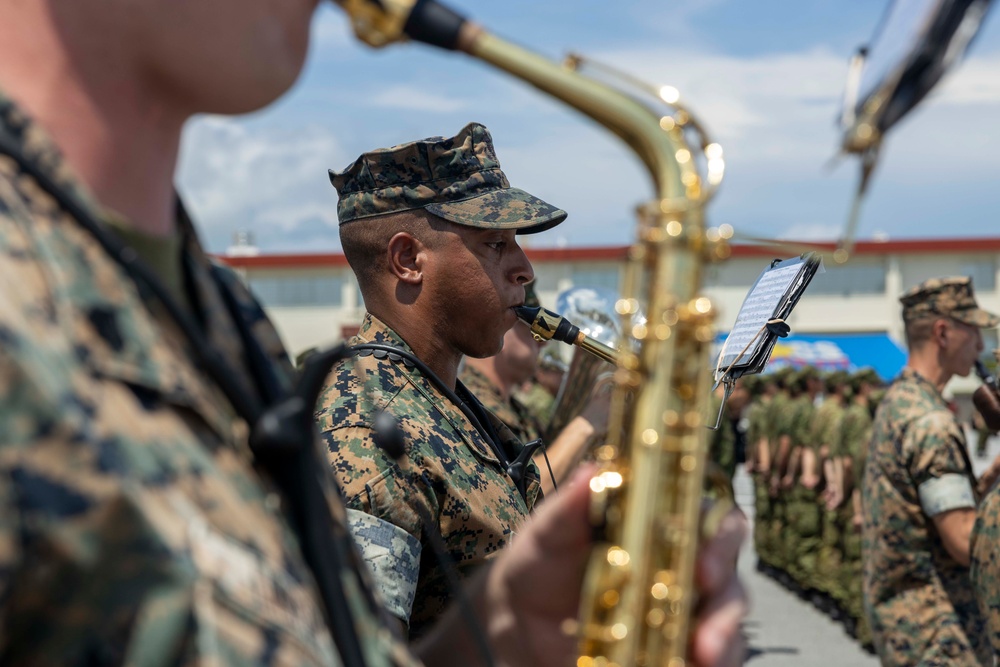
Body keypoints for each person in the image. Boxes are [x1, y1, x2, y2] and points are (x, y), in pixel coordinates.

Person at [0, 2, 746, 665]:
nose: (524, 268)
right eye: (494, 244)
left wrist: (502, 637)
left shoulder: (220, 313)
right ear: (408, 260)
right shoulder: (361, 411)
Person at [863, 277, 995, 666]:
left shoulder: (900, 400)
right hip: (941, 636)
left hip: (908, 624)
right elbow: (965, 542)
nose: (980, 346)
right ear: (943, 333)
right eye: (973, 331)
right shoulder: (931, 422)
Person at [461, 282, 611, 495]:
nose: (543, 342)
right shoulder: (470, 403)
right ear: (502, 325)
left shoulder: (516, 409)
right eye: (532, 327)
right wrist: (587, 425)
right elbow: (517, 492)